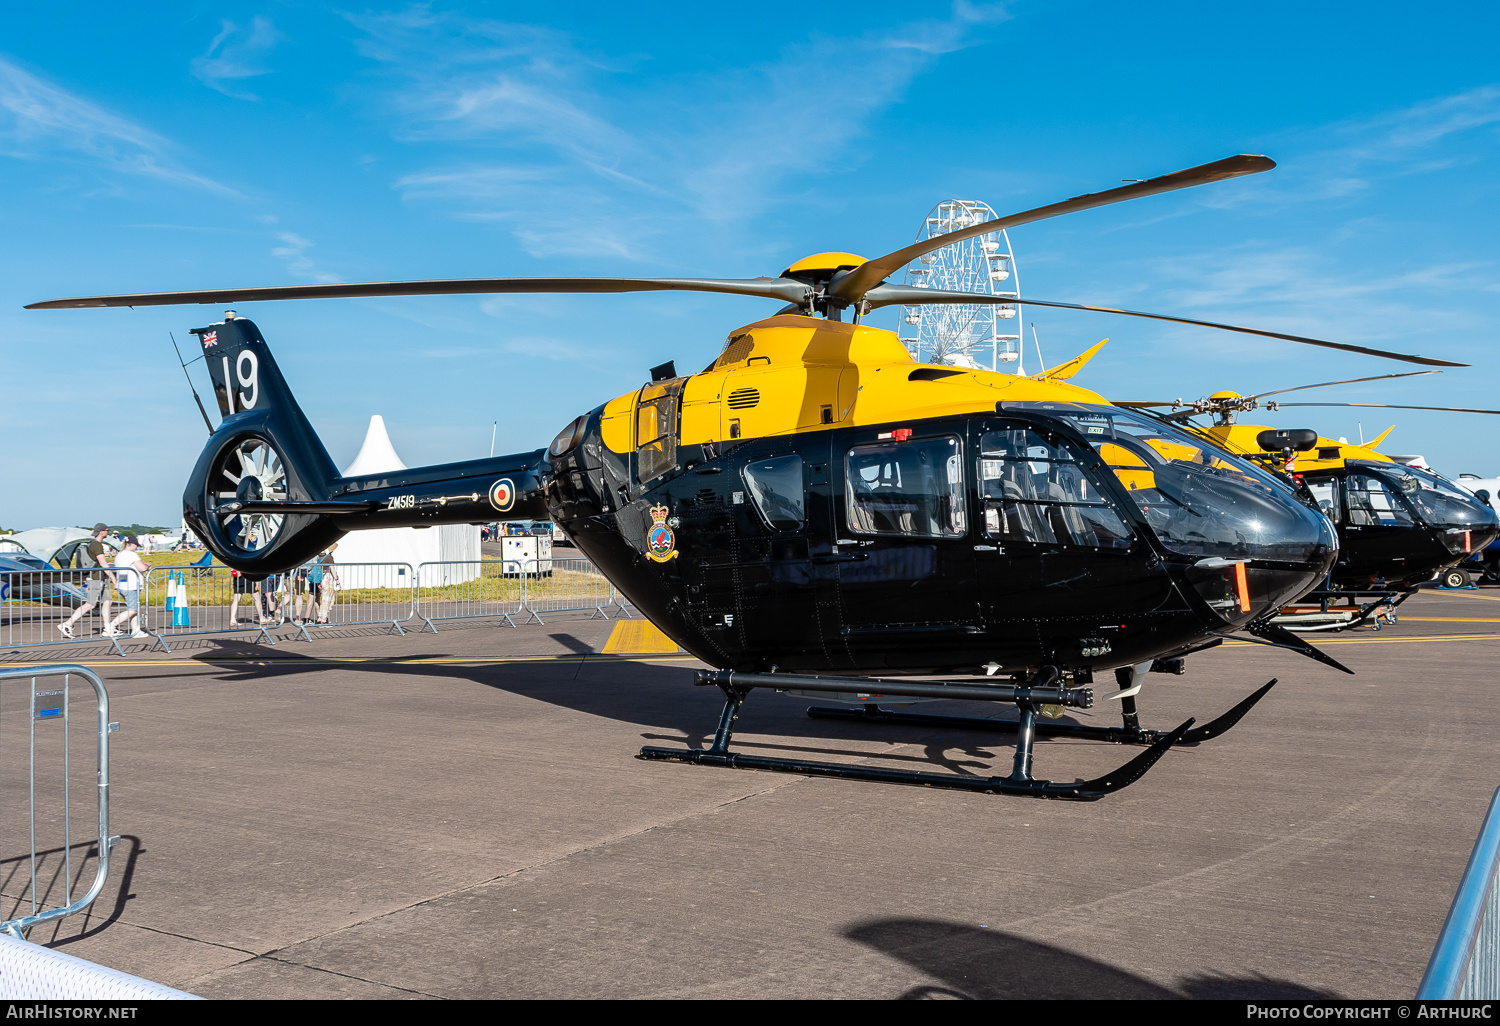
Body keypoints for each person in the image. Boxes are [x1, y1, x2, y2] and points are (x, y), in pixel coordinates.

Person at [58, 523, 113, 638]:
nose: (108, 532)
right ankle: (67, 624)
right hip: (96, 578)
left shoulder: (93, 544)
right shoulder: (96, 545)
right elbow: (103, 563)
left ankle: (108, 628)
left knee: (107, 601)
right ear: (101, 531)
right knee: (90, 604)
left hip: (100, 578)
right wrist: (114, 578)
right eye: (107, 530)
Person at [105, 536, 149, 638]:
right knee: (133, 609)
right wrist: (148, 565)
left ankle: (135, 630)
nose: (136, 548)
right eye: (136, 546)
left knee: (134, 608)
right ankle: (112, 625)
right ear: (133, 545)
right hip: (131, 585)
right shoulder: (131, 555)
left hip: (123, 584)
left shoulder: (119, 555)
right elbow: (141, 568)